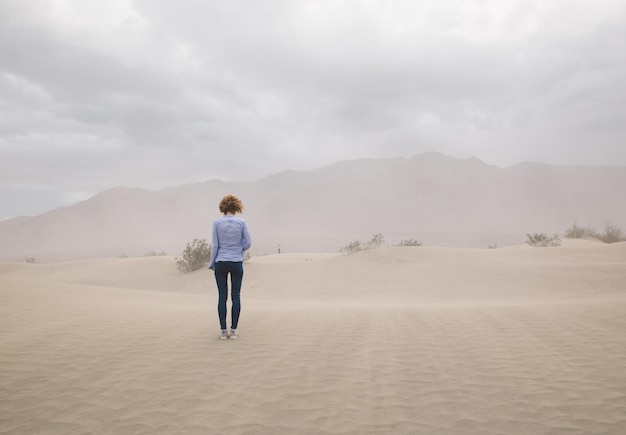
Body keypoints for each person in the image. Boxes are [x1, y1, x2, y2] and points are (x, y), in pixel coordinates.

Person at [208, 194, 252, 340]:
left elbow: (215, 245)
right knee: (236, 296)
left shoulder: (216, 223)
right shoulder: (242, 222)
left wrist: (212, 262)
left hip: (221, 261)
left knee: (222, 296)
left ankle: (222, 331)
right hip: (236, 262)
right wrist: (239, 249)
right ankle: (233, 331)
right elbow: (248, 242)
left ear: (223, 207)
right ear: (236, 207)